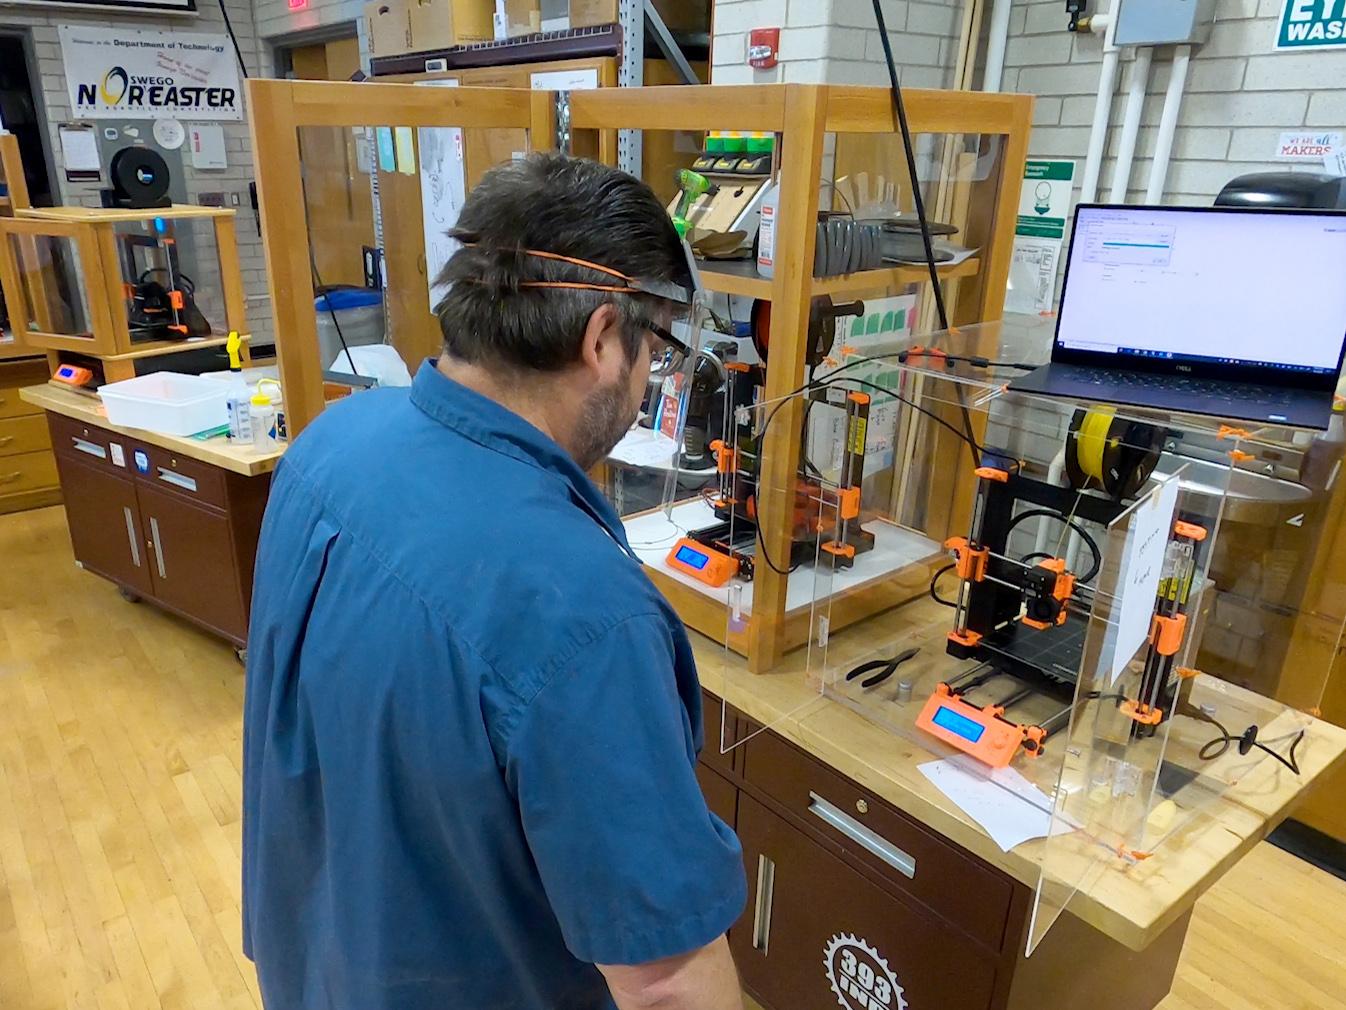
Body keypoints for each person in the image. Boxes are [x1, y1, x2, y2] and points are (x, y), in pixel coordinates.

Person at [241, 153, 747, 1010]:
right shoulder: (582, 613)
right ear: (599, 340)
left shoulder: (333, 443)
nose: (647, 379)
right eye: (652, 348)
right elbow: (667, 983)